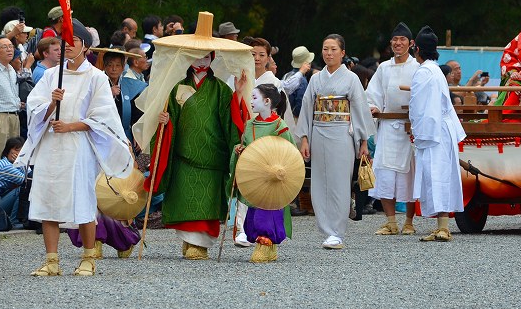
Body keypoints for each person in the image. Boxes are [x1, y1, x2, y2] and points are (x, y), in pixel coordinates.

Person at [14, 19, 133, 276]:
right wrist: (50, 104)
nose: (67, 47)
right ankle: (52, 260)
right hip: (50, 144)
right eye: (64, 42)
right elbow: (34, 109)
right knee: (48, 199)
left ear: (85, 46)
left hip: (78, 146)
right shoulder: (50, 75)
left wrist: (71, 126)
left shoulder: (96, 78)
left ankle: (89, 257)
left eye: (74, 42)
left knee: (82, 200)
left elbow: (103, 118)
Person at [150, 51, 248, 260]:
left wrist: (238, 95)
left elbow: (232, 121)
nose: (201, 60)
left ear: (212, 59)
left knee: (206, 201)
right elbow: (171, 119)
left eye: (206, 56)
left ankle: (199, 245)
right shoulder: (176, 87)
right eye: (196, 56)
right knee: (185, 199)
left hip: (212, 155)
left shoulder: (221, 89)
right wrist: (165, 122)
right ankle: (190, 241)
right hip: (183, 155)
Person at [294, 34, 376, 249]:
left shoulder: (351, 79)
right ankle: (325, 229)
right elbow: (306, 108)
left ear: (342, 52)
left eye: (333, 49)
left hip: (342, 133)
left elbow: (359, 109)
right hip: (318, 131)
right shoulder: (316, 79)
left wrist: (363, 141)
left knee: (340, 181)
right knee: (320, 182)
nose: (328, 53)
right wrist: (304, 138)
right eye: (325, 49)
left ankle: (337, 232)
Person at [409, 26, 466, 242]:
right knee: (439, 175)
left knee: (437, 175)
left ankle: (443, 228)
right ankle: (442, 226)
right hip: (440, 127)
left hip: (433, 130)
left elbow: (420, 106)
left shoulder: (425, 72)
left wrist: (419, 132)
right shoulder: (434, 70)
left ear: (418, 50)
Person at [230, 84, 295, 262]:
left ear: (267, 102)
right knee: (254, 212)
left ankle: (266, 244)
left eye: (254, 98)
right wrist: (239, 150)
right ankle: (266, 246)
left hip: (273, 179)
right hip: (255, 179)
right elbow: (246, 147)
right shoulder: (250, 124)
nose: (250, 101)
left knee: (267, 212)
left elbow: (290, 154)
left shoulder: (280, 126)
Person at [366, 22, 419, 235]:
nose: (398, 43)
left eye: (402, 40)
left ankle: (408, 221)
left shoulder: (417, 67)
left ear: (411, 43)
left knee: (410, 173)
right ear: (391, 44)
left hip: (409, 126)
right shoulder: (384, 68)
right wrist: (373, 107)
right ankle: (390, 221)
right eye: (395, 40)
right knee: (386, 172)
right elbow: (373, 93)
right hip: (388, 125)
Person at [0, 137, 27, 229]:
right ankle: (13, 221)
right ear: (7, 150)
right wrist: (21, 162)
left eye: (21, 151)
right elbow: (26, 180)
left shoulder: (12, 164)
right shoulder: (5, 165)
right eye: (16, 150)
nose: (18, 154)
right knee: (20, 189)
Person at [281, 45, 314, 119]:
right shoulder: (302, 80)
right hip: (295, 119)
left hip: (284, 116)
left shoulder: (287, 75)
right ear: (307, 64)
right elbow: (301, 104)